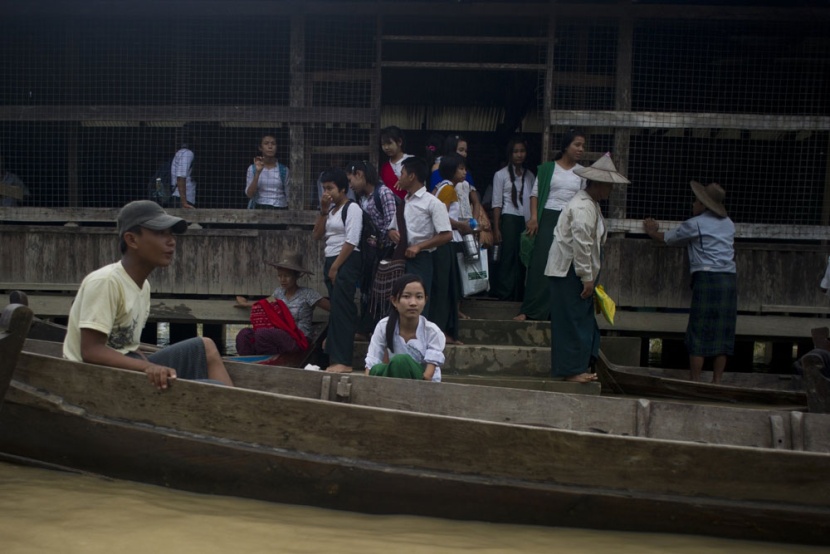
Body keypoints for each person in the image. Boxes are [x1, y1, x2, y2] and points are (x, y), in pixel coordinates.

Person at [62, 200, 234, 389]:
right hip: (94, 381)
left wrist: (149, 364)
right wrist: (148, 367)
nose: (171, 241)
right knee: (212, 387)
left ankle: (233, 400)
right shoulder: (106, 281)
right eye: (160, 233)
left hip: (123, 369)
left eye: (171, 234)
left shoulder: (143, 286)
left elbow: (127, 345)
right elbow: (91, 351)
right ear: (132, 240)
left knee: (205, 345)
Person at [546, 153, 628, 383]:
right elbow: (581, 244)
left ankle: (578, 366)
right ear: (598, 184)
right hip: (570, 271)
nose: (610, 190)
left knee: (579, 320)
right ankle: (572, 370)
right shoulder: (583, 206)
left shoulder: (591, 204)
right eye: (608, 186)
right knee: (572, 321)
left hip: (574, 271)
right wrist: (586, 276)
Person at [643, 182, 737, 384]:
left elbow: (668, 238)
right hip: (728, 279)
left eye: (696, 201)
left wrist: (651, 231)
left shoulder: (696, 224)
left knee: (699, 329)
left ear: (703, 205)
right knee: (723, 331)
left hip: (708, 278)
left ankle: (695, 381)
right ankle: (717, 381)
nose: (694, 204)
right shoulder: (729, 223)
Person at [515, 130, 587, 321]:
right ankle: (529, 310)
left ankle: (556, 311)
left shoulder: (582, 173)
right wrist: (534, 218)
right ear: (566, 147)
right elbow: (535, 194)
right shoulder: (548, 169)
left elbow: (583, 200)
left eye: (582, 146)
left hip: (570, 221)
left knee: (565, 265)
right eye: (577, 145)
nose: (581, 149)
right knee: (540, 263)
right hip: (547, 218)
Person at [387, 157, 453, 318]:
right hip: (401, 259)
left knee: (417, 302)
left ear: (412, 176)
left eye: (402, 173)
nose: (399, 177)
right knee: (400, 301)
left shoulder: (432, 203)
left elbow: (447, 234)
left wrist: (419, 246)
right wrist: (392, 233)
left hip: (421, 259)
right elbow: (392, 228)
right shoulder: (405, 202)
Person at [312, 168, 363, 373]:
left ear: (342, 189)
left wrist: (335, 267)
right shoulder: (332, 211)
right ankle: (335, 356)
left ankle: (343, 361)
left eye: (330, 188)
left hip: (345, 260)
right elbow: (316, 235)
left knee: (342, 310)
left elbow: (352, 240)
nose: (327, 193)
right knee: (338, 308)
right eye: (324, 188)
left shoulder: (352, 208)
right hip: (331, 257)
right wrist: (323, 211)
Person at [234, 252, 330, 356]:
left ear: (296, 276)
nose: (283, 280)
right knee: (244, 334)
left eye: (287, 276)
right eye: (280, 276)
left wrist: (331, 335)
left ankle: (270, 360)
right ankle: (248, 361)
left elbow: (334, 309)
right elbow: (265, 304)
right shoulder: (278, 292)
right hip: (279, 335)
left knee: (262, 334)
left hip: (299, 338)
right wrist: (246, 303)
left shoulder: (308, 294)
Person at [347, 159, 398, 336]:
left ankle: (379, 329)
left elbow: (392, 224)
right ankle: (368, 328)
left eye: (351, 180)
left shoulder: (383, 193)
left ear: (360, 174)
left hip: (385, 253)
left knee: (380, 292)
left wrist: (380, 238)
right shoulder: (361, 198)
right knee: (367, 290)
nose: (350, 185)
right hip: (370, 253)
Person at [365, 274, 446, 382]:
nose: (413, 303)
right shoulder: (383, 326)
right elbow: (372, 362)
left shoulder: (432, 331)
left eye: (419, 297)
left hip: (423, 383)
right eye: (406, 296)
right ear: (394, 301)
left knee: (400, 361)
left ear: (425, 300)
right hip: (395, 377)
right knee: (377, 369)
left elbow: (428, 376)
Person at [433, 153, 473, 342]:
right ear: (451, 171)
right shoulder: (448, 189)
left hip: (448, 240)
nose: (465, 172)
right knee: (446, 288)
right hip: (446, 242)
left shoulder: (441, 187)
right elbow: (442, 216)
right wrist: (460, 225)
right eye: (461, 169)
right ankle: (443, 330)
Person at [491, 135, 535, 301]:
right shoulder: (500, 175)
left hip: (526, 220)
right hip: (509, 218)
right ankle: (505, 293)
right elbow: (497, 203)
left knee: (522, 256)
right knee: (508, 256)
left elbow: (533, 200)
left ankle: (519, 293)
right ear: (510, 154)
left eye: (522, 151)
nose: (519, 155)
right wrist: (496, 228)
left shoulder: (530, 176)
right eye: (515, 151)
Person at [245, 134, 289, 209]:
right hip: (259, 207)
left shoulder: (284, 170)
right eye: (266, 143)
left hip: (280, 207)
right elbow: (249, 194)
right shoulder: (252, 168)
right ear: (260, 148)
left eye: (273, 144)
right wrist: (258, 173)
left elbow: (289, 195)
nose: (270, 146)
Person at [379, 126, 411, 200]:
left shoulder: (411, 161)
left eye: (389, 143)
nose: (386, 147)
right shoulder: (385, 168)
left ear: (399, 142)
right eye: (383, 144)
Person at [171, 141, 196, 209]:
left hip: (183, 198)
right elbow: (180, 177)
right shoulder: (187, 154)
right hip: (182, 198)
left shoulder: (182, 153)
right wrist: (184, 203)